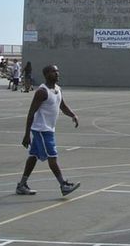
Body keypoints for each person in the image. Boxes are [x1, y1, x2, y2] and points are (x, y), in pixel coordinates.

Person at [16, 64, 81, 197]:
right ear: (46, 75)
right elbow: (31, 113)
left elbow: (62, 105)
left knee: (33, 156)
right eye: (53, 72)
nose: (57, 74)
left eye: (57, 71)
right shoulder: (42, 91)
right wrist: (27, 134)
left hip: (49, 129)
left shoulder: (58, 89)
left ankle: (22, 185)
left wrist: (73, 115)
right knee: (52, 156)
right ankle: (63, 185)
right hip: (41, 130)